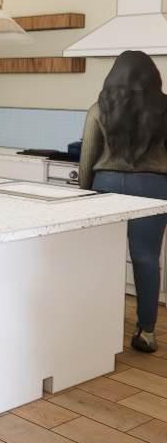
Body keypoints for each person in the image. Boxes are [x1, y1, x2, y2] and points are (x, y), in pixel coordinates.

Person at [79, 50, 167, 353]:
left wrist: (83, 195)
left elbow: (87, 157)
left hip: (107, 185)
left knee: (102, 256)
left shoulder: (98, 109)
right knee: (146, 257)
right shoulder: (165, 109)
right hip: (154, 186)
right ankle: (147, 332)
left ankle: (98, 324)